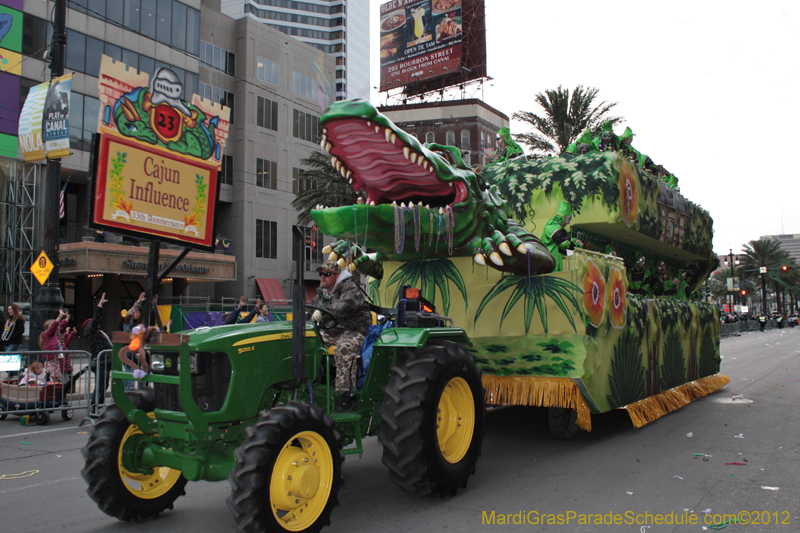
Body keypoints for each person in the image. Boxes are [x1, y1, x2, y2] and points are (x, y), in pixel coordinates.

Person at [310, 260, 371, 411]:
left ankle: (348, 395)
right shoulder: (321, 295)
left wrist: (323, 312)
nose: (322, 277)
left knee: (344, 348)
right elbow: (311, 313)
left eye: (327, 274)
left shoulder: (350, 288)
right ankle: (311, 383)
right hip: (332, 331)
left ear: (337, 276)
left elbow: (345, 305)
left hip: (354, 331)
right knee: (309, 342)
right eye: (321, 274)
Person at [82, 292, 113, 411]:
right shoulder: (90, 332)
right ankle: (95, 405)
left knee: (104, 385)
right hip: (100, 362)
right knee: (101, 385)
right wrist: (100, 307)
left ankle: (98, 405)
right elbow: (95, 321)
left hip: (106, 361)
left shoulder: (99, 333)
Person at [540, 200, 583, 272]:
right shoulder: (555, 228)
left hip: (550, 263)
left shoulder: (551, 227)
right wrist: (578, 245)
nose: (567, 223)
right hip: (554, 264)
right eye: (567, 220)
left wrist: (573, 240)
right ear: (563, 218)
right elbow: (565, 244)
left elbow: (563, 238)